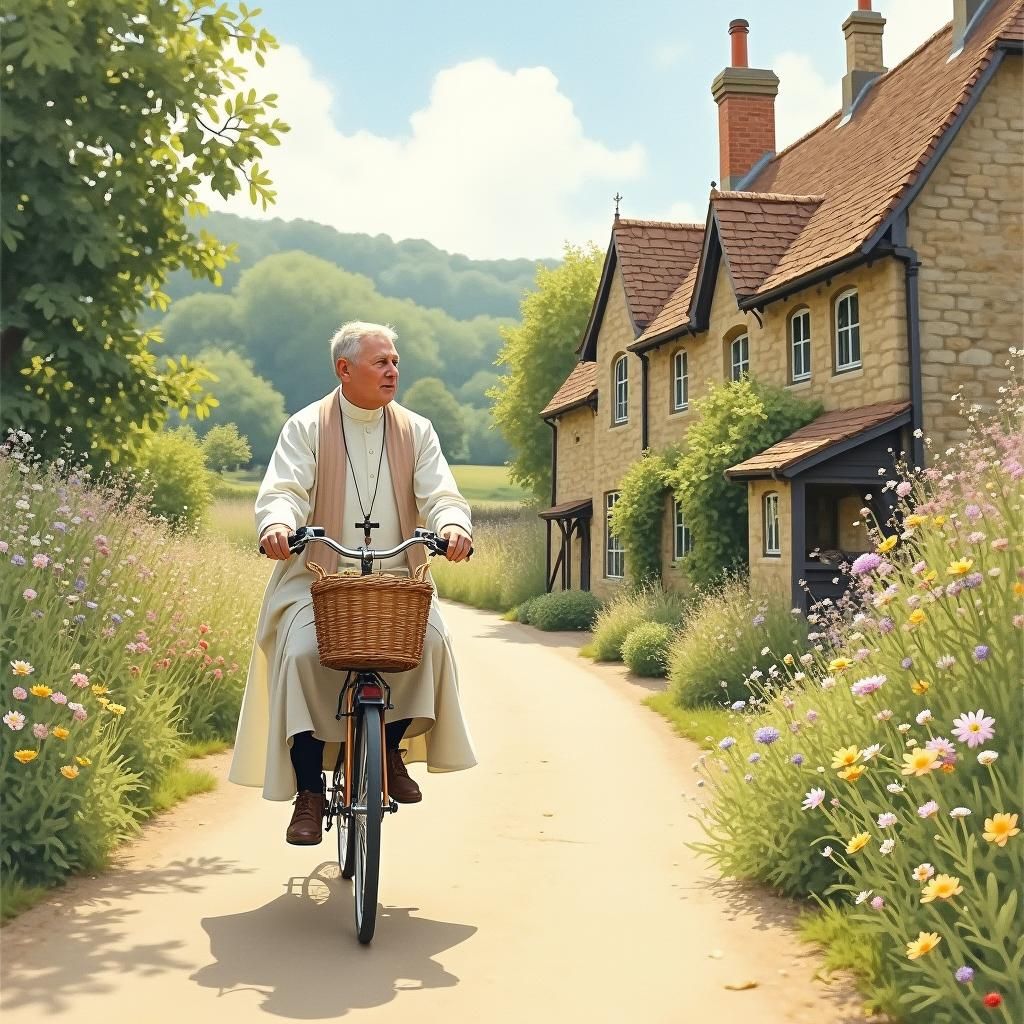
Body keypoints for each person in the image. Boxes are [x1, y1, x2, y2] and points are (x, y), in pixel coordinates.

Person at [228, 321, 478, 845]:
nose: (393, 371)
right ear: (344, 369)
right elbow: (284, 488)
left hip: (398, 576)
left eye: (394, 361)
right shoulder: (306, 426)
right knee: (299, 654)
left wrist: (454, 525)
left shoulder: (418, 430)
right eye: (380, 362)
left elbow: (441, 494)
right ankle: (310, 791)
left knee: (430, 642)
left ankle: (388, 749)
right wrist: (277, 523)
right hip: (317, 577)